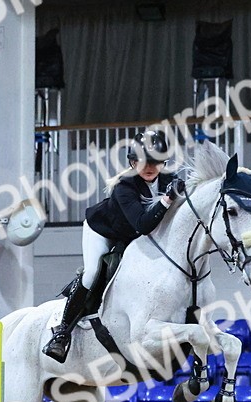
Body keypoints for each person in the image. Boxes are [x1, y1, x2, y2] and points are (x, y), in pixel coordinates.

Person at [43, 130, 185, 363]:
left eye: (155, 161)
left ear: (163, 162)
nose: (149, 166)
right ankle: (61, 332)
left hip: (132, 235)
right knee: (92, 273)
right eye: (142, 161)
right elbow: (143, 224)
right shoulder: (124, 187)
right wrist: (168, 200)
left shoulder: (170, 181)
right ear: (132, 162)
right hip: (103, 230)